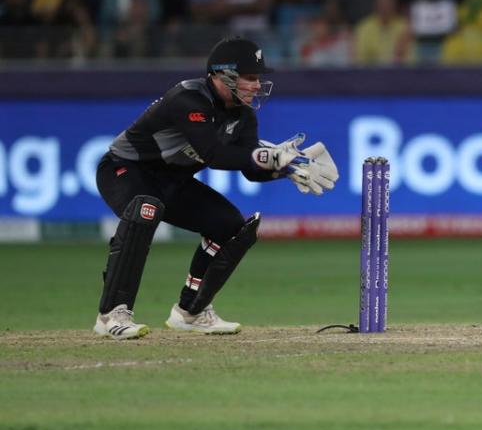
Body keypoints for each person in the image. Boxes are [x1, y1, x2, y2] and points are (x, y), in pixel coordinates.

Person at [93, 37, 339, 339]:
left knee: (232, 226)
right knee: (146, 209)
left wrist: (284, 168)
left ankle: (191, 311)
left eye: (258, 78)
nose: (257, 85)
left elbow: (250, 170)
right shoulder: (189, 99)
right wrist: (269, 155)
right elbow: (212, 153)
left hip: (173, 181)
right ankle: (111, 314)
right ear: (223, 75)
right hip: (125, 170)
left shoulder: (244, 115)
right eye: (250, 78)